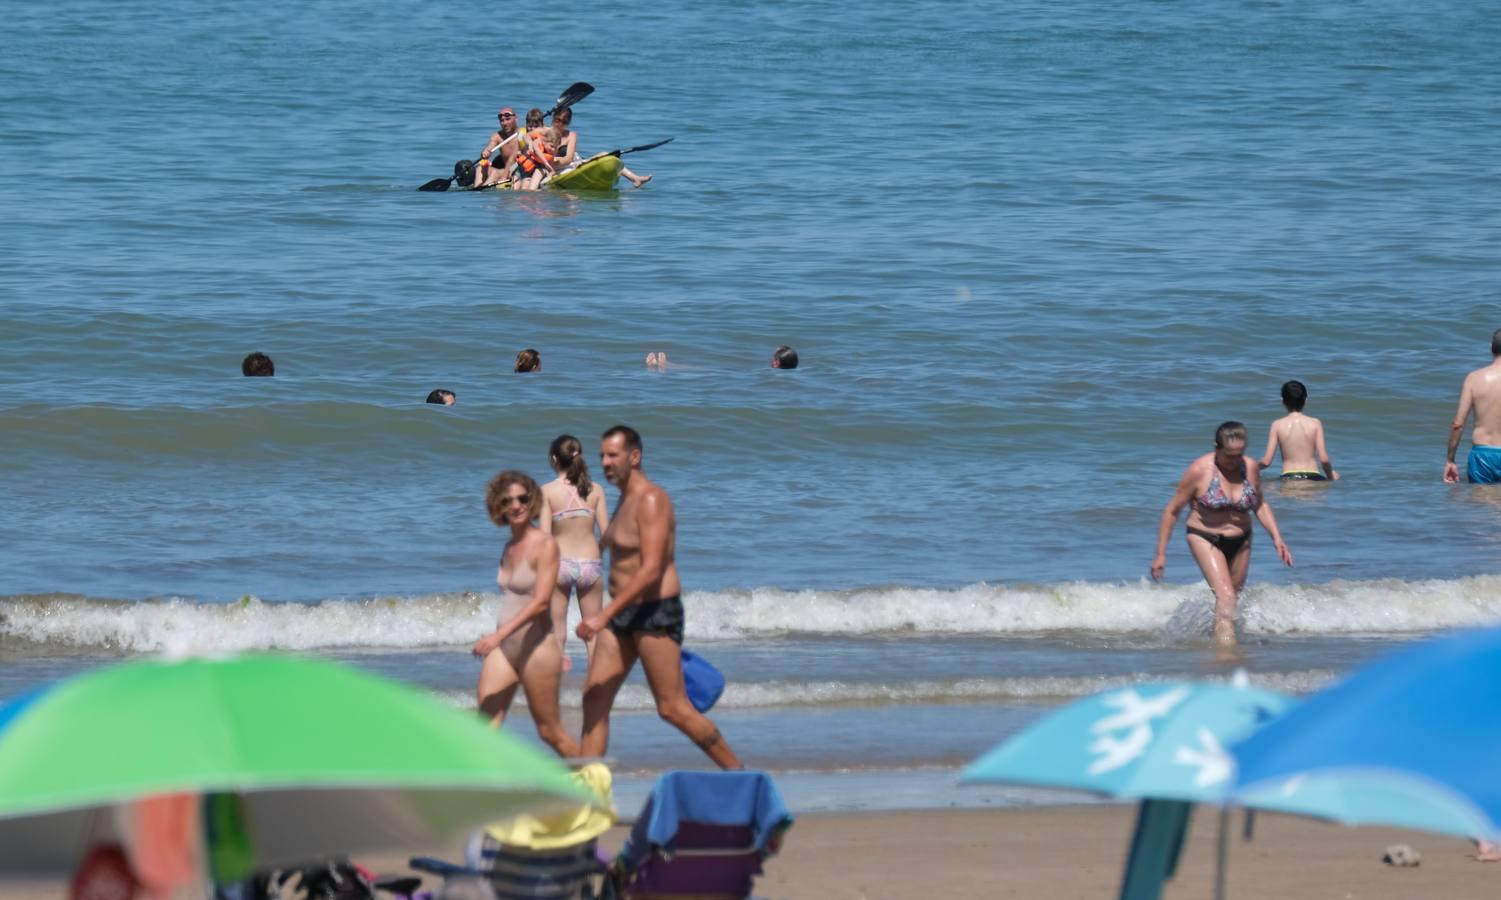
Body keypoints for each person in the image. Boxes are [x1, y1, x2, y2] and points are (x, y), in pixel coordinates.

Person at [576, 426, 741, 769]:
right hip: (623, 614)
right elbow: (608, 549)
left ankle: (740, 775)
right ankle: (586, 797)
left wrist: (603, 615)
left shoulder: (652, 499)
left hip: (654, 613)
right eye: (602, 455)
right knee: (594, 697)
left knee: (672, 708)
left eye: (613, 455)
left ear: (634, 457)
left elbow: (652, 569)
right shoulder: (623, 501)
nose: (605, 462)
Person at [1151, 422, 1294, 648]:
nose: (1234, 461)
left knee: (1231, 600)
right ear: (1216, 448)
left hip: (1242, 538)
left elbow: (1260, 504)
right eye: (1229, 456)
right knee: (1226, 597)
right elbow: (1172, 510)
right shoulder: (1199, 470)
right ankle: (1227, 655)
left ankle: (1215, 637)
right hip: (1204, 536)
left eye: (1239, 455)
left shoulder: (1250, 468)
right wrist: (1160, 554)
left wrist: (1277, 538)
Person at [471, 470, 579, 758]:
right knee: (484, 726)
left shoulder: (544, 545)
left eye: (522, 499)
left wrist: (497, 635)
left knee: (549, 732)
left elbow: (541, 602)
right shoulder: (509, 547)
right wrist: (499, 639)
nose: (516, 505)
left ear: (531, 502)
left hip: (538, 649)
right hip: (505, 649)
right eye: (507, 501)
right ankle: (487, 792)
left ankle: (594, 782)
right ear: (498, 507)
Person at [540, 435, 611, 671]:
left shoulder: (547, 492)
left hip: (560, 564)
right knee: (592, 631)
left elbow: (544, 538)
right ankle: (596, 683)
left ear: (553, 459)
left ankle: (558, 679)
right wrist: (597, 554)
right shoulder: (597, 490)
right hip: (590, 563)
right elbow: (607, 534)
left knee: (557, 630)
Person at [1444, 328, 1501, 484]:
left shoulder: (1474, 379)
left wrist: (1450, 460)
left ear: (1491, 347)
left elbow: (1458, 425)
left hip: (1482, 457)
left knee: (1482, 504)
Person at [546, 108, 652, 188]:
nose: (560, 124)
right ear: (553, 118)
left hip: (572, 165)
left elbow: (568, 159)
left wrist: (554, 160)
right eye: (557, 120)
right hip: (554, 168)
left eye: (564, 122)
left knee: (606, 155)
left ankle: (635, 179)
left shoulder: (571, 135)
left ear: (568, 123)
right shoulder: (545, 132)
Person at [1258, 381, 1338, 480]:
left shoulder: (1277, 425)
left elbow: (1266, 462)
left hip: (1289, 478)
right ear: (1306, 399)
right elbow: (1324, 460)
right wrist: (1331, 475)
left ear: (1282, 401)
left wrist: (1252, 468)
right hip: (1314, 478)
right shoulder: (1315, 423)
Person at [470, 107, 524, 189]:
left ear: (516, 118)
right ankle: (476, 189)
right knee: (480, 167)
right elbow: (490, 147)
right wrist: (485, 152)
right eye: (502, 121)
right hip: (505, 170)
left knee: (495, 172)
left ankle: (481, 190)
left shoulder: (523, 133)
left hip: (519, 171)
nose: (504, 123)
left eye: (508, 119)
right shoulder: (497, 136)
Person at [512, 108, 558, 191]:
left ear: (542, 125)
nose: (533, 129)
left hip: (539, 167)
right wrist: (527, 146)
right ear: (526, 125)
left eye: (536, 126)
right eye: (530, 126)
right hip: (525, 167)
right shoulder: (524, 135)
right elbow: (526, 137)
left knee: (525, 186)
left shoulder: (546, 133)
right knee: (516, 186)